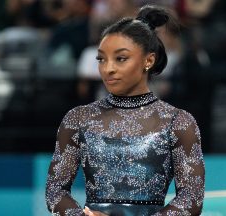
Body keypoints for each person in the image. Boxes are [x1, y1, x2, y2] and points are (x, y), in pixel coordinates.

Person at [45, 5, 205, 216]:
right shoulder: (78, 119)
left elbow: (191, 198)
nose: (108, 68)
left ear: (148, 60)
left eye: (121, 58)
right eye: (101, 59)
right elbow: (55, 191)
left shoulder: (178, 122)